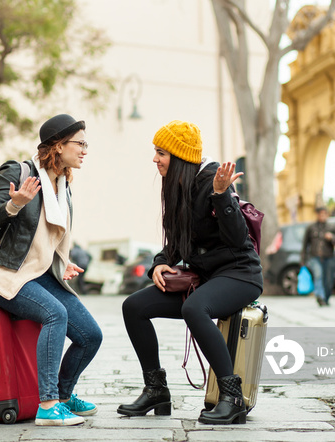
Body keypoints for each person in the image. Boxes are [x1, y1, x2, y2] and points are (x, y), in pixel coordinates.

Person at [116, 120, 263, 425]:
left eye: (161, 153)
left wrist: (222, 196)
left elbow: (238, 239)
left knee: (194, 307)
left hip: (240, 274)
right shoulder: (177, 187)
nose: (155, 159)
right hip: (205, 276)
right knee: (134, 306)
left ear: (180, 157)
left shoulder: (214, 180)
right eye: (156, 152)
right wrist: (158, 263)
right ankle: (156, 390)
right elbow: (177, 242)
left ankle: (231, 395)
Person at [0, 114, 102, 426]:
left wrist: (62, 261)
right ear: (57, 145)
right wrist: (14, 204)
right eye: (80, 143)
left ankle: (65, 395)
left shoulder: (62, 185)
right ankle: (48, 404)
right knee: (55, 313)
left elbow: (46, 237)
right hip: (3, 274)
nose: (85, 150)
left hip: (40, 274)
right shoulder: (18, 171)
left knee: (90, 335)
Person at [301, 206, 335, 306]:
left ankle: (326, 298)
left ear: (327, 215)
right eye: (320, 214)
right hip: (315, 257)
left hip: (329, 257)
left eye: (324, 214)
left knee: (328, 279)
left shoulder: (332, 227)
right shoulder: (311, 227)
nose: (322, 216)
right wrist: (303, 260)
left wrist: (332, 237)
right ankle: (320, 296)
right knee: (318, 275)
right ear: (317, 215)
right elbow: (305, 244)